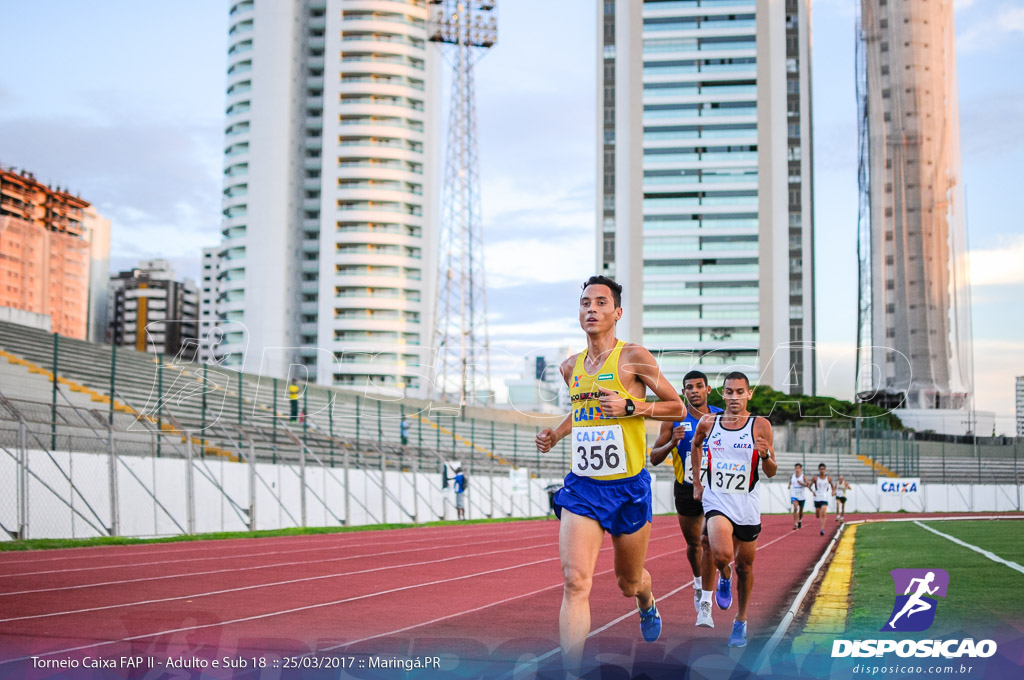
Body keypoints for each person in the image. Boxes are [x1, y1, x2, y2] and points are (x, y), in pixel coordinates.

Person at [535, 275, 683, 676]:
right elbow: (581, 409)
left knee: (628, 582)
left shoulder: (634, 357)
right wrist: (557, 433)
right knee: (575, 581)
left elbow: (677, 407)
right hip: (583, 486)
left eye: (601, 303)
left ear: (617, 313)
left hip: (628, 488)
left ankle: (647, 602)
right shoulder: (571, 368)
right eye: (585, 303)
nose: (591, 309)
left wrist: (635, 407)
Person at [691, 372, 777, 647]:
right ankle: (723, 576)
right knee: (721, 554)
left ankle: (740, 621)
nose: (735, 397)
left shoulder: (760, 425)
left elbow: (772, 471)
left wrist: (765, 455)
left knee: (745, 566)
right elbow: (695, 445)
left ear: (749, 394)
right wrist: (697, 481)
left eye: (740, 392)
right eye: (729, 392)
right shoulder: (708, 422)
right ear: (722, 394)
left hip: (747, 502)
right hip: (717, 499)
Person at [650, 370, 723, 614]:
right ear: (683, 392)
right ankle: (698, 582)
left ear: (708, 390)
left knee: (711, 543)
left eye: (699, 386)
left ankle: (714, 588)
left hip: (716, 489)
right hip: (686, 489)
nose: (694, 390)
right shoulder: (673, 419)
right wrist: (672, 443)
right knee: (695, 545)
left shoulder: (721, 418)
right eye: (689, 387)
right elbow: (654, 458)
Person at [811, 463, 835, 536]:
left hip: (825, 497)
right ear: (819, 470)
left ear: (825, 470)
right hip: (817, 497)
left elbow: (832, 486)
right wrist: (813, 492)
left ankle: (822, 529)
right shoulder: (815, 478)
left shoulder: (828, 478)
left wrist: (833, 491)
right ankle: (817, 513)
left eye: (823, 469)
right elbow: (809, 486)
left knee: (823, 513)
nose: (822, 470)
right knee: (818, 515)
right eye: (821, 469)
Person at [790, 463, 810, 530]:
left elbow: (808, 484)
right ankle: (795, 523)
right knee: (795, 507)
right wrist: (789, 485)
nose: (797, 469)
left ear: (801, 469)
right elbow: (791, 481)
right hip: (794, 494)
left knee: (801, 510)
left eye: (798, 468)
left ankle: (800, 520)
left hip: (801, 495)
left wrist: (802, 483)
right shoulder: (792, 476)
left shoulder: (803, 476)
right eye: (796, 468)